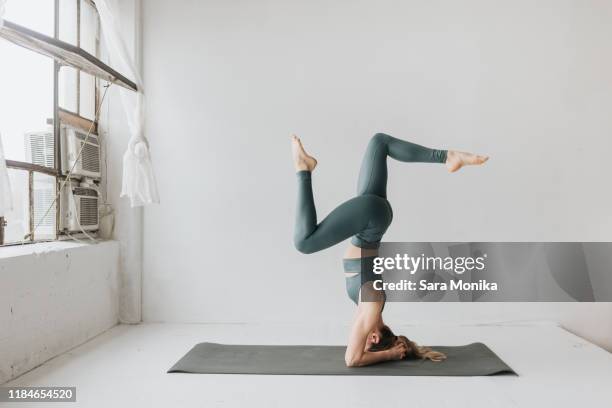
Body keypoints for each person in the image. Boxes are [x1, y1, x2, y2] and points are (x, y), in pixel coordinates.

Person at [292, 132, 488, 367]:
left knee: (379, 142)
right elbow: (352, 359)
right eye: (366, 340)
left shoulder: (370, 306)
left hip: (373, 220)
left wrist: (399, 347)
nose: (357, 338)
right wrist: (390, 354)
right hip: (370, 220)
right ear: (374, 337)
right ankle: (304, 169)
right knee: (304, 242)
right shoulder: (372, 306)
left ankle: (448, 156)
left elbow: (356, 349)